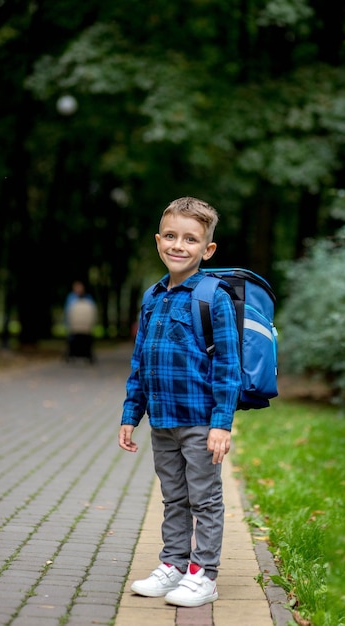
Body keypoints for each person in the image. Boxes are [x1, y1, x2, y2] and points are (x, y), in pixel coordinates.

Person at [118, 197, 241, 607]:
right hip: (163, 421)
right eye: (170, 236)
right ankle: (173, 564)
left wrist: (222, 423)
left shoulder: (213, 296)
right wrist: (130, 414)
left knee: (203, 498)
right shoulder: (153, 296)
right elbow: (141, 361)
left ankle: (203, 574)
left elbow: (228, 365)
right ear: (158, 241)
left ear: (207, 250)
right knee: (173, 496)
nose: (178, 245)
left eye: (190, 239)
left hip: (201, 422)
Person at [64, 281, 97, 362]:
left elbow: (92, 312)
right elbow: (68, 312)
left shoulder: (88, 298)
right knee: (73, 340)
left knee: (86, 340)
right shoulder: (71, 298)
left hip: (85, 325)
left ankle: (85, 354)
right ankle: (73, 354)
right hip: (75, 325)